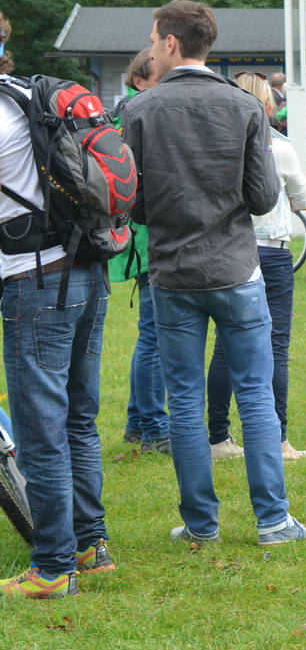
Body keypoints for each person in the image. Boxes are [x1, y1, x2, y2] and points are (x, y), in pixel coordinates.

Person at [121, 0, 306, 546]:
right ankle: (274, 520)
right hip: (236, 270)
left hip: (173, 274)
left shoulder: (139, 110)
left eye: (153, 37)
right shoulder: (245, 107)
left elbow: (131, 203)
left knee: (184, 399)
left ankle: (201, 525)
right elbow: (262, 199)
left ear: (169, 42)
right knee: (255, 393)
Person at [0, 61, 115, 596]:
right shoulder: (33, 96)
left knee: (40, 431)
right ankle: (91, 546)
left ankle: (51, 567)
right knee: (77, 419)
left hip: (35, 281)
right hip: (89, 270)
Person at [208, 73, 306, 462]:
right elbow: (302, 198)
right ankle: (278, 438)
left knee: (224, 345)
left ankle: (217, 435)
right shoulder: (279, 146)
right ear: (268, 106)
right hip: (271, 252)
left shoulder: (217, 144)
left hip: (229, 252)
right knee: (275, 345)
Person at [113, 49, 170, 454]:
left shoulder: (127, 115)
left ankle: (138, 422)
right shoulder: (133, 118)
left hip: (145, 239)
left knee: (150, 334)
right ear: (139, 81)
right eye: (158, 78)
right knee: (155, 336)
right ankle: (153, 428)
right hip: (150, 240)